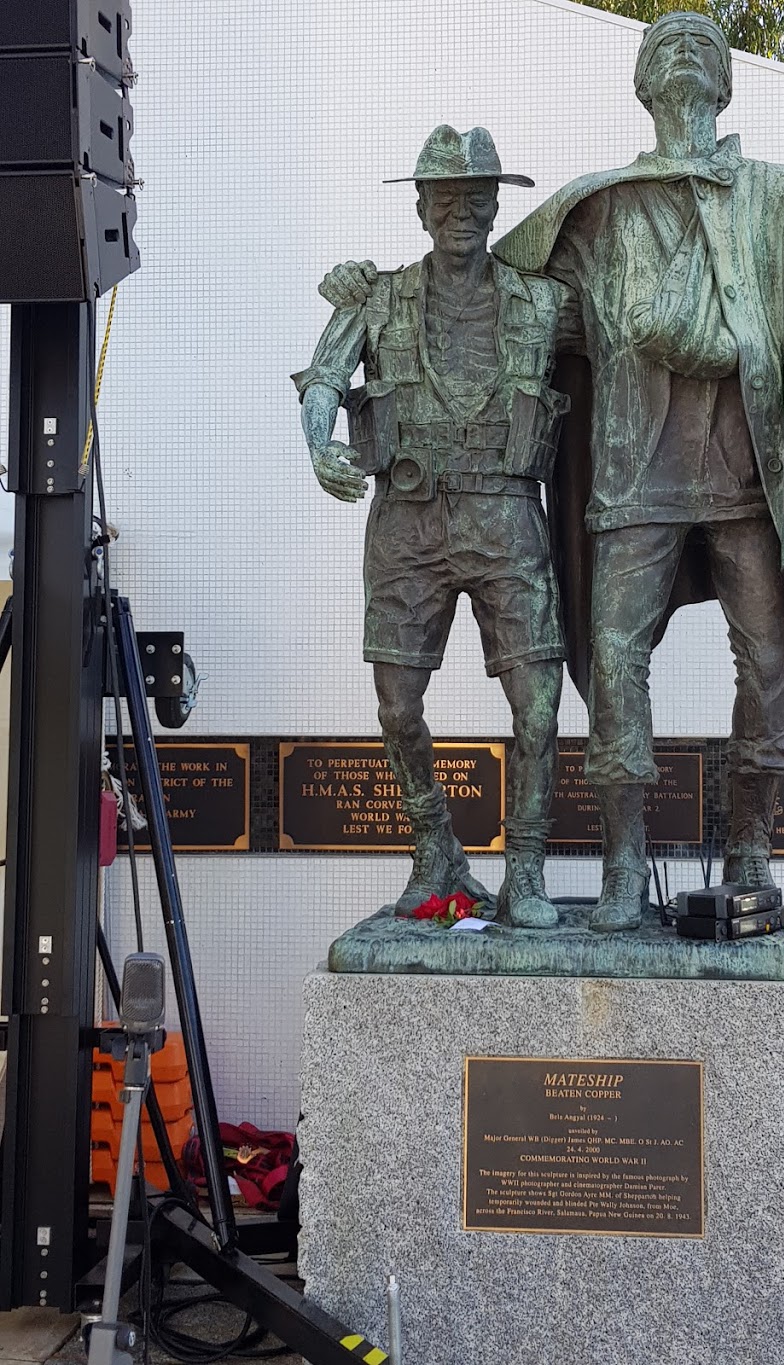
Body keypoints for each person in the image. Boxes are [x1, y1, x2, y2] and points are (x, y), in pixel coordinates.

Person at [490, 11, 784, 929]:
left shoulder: (780, 197)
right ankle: (625, 861)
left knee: (770, 659)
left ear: (727, 85)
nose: (687, 48)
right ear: (642, 84)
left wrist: (711, 337)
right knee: (616, 660)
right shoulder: (599, 211)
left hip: (746, 479)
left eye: (706, 44)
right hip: (634, 477)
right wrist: (381, 301)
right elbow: (511, 301)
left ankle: (750, 845)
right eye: (663, 45)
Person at [293, 125, 575, 927]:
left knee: (541, 705)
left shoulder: (544, 300)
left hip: (507, 516)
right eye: (445, 196)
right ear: (420, 208)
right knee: (396, 705)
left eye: (476, 196)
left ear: (496, 206)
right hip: (409, 523)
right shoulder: (375, 297)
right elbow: (323, 377)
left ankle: (526, 872)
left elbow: (620, 354)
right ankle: (434, 848)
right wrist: (319, 442)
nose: (461, 210)